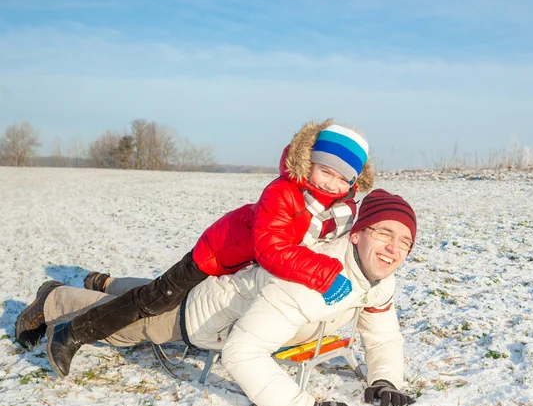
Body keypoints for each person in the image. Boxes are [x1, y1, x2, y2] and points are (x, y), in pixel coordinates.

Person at [16, 189, 417, 406]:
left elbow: (382, 334)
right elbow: (241, 353)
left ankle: (104, 281)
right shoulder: (315, 283)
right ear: (359, 233)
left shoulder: (378, 279)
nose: (394, 249)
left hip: (231, 291)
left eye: (405, 241)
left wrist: (385, 381)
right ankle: (54, 297)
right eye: (385, 233)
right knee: (127, 326)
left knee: (149, 293)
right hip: (203, 316)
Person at [17, 120, 374, 377]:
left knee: (159, 294)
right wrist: (325, 275)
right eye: (325, 171)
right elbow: (273, 250)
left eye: (343, 178)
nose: (332, 183)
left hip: (238, 269)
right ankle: (70, 333)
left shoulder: (340, 209)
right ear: (309, 162)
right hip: (216, 255)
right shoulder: (283, 193)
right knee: (151, 302)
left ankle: (92, 286)